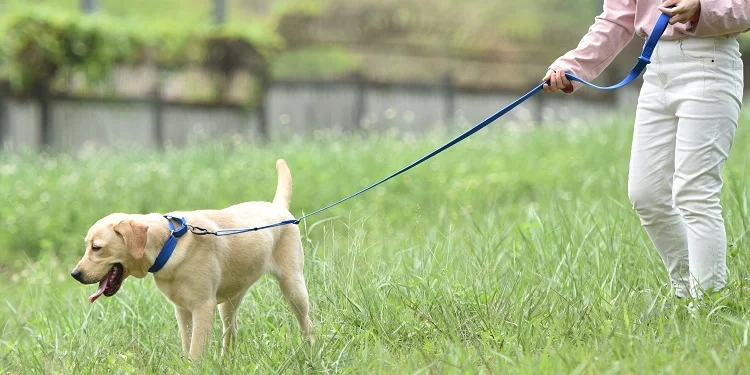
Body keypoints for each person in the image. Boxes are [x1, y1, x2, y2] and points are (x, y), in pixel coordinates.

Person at [543, 0, 749, 299]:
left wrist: (702, 7)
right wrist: (571, 66)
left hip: (711, 63)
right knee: (646, 194)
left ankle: (707, 305)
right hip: (656, 70)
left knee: (695, 194)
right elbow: (616, 19)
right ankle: (686, 293)